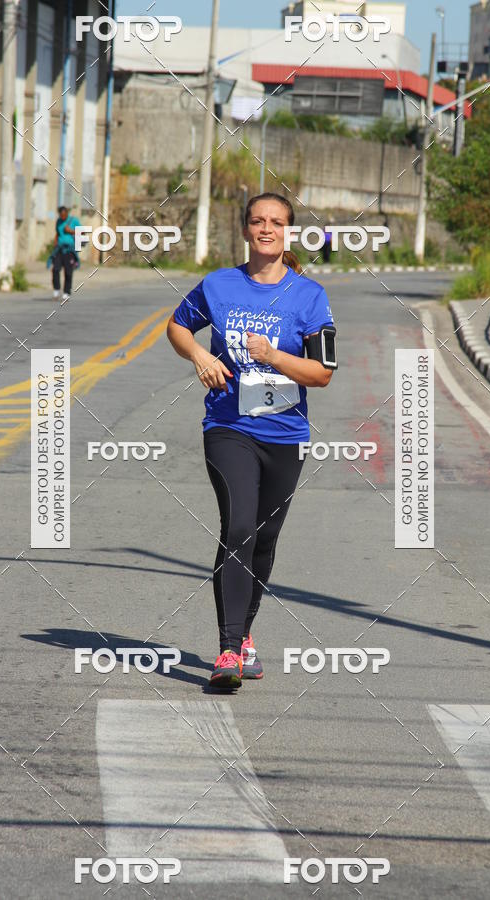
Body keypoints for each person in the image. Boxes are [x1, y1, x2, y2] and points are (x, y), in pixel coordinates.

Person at [167, 192, 335, 690]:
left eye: (276, 222)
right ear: (245, 230)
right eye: (257, 221)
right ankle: (226, 649)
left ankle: (245, 636)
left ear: (288, 233)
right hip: (228, 427)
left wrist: (274, 357)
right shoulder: (218, 285)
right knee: (238, 526)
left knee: (264, 539)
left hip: (285, 432)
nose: (266, 229)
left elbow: (321, 374)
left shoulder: (309, 296)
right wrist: (199, 354)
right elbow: (177, 326)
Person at [51, 206, 80, 300]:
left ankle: (66, 292)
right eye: (61, 215)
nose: (63, 217)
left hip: (70, 250)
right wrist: (55, 243)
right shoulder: (58, 221)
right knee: (55, 269)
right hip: (59, 249)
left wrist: (70, 231)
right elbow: (58, 233)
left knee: (68, 272)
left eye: (64, 215)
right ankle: (56, 290)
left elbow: (83, 232)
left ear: (67, 214)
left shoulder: (74, 221)